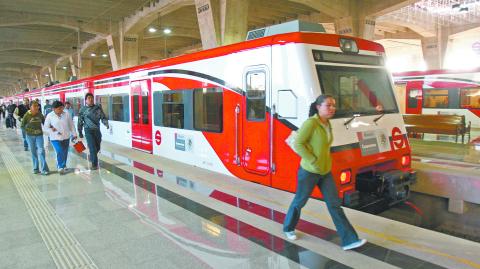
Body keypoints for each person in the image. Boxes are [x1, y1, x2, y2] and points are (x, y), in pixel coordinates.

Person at [283, 94, 367, 251]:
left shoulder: (327, 123)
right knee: (299, 202)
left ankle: (350, 240)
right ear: (318, 107)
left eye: (333, 105)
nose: (332, 108)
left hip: (325, 172)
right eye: (328, 105)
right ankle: (288, 227)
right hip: (309, 171)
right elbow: (299, 143)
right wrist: (313, 160)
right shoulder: (311, 123)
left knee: (334, 205)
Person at [44, 101, 77, 175]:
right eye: (59, 109)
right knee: (59, 151)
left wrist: (74, 134)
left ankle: (63, 165)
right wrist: (54, 131)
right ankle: (60, 167)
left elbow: (71, 124)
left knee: (65, 152)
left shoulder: (66, 114)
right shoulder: (50, 116)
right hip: (55, 138)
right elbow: (46, 127)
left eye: (62, 108)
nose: (61, 110)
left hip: (66, 136)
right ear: (54, 109)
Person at [77, 93, 109, 170]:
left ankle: (93, 155)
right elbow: (80, 121)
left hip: (97, 130)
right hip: (88, 131)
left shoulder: (98, 108)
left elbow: (103, 117)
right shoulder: (82, 109)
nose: (90, 99)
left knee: (97, 146)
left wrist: (106, 124)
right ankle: (94, 164)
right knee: (92, 147)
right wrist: (80, 131)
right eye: (88, 98)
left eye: (91, 98)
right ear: (86, 100)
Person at [21, 101, 49, 175]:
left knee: (41, 151)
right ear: (30, 107)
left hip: (39, 135)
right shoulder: (26, 115)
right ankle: (36, 168)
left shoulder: (40, 114)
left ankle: (44, 169)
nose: (37, 107)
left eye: (37, 106)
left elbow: (45, 123)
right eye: (35, 106)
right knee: (33, 152)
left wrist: (51, 128)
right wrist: (26, 134)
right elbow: (22, 126)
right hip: (30, 136)